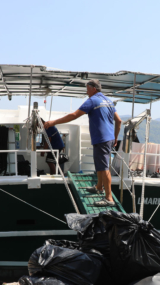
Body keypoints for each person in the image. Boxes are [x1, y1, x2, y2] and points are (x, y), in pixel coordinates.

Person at [45, 79, 121, 207]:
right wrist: (115, 137)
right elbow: (118, 121)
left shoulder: (92, 100)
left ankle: (109, 198)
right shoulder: (108, 101)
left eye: (87, 89)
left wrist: (53, 123)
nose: (86, 92)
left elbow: (74, 115)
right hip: (107, 139)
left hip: (101, 139)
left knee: (103, 168)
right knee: (100, 165)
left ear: (94, 89)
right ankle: (99, 187)